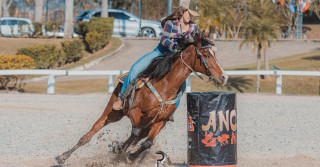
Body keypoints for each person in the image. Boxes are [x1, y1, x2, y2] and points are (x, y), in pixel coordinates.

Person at [113, 0, 217, 110]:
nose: (191, 16)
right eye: (189, 13)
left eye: (193, 14)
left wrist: (211, 46)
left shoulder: (193, 27)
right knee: (135, 69)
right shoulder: (171, 23)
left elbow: (200, 42)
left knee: (182, 86)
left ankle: (170, 111)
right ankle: (121, 98)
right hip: (160, 53)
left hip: (175, 60)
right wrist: (177, 47)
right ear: (183, 11)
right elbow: (165, 40)